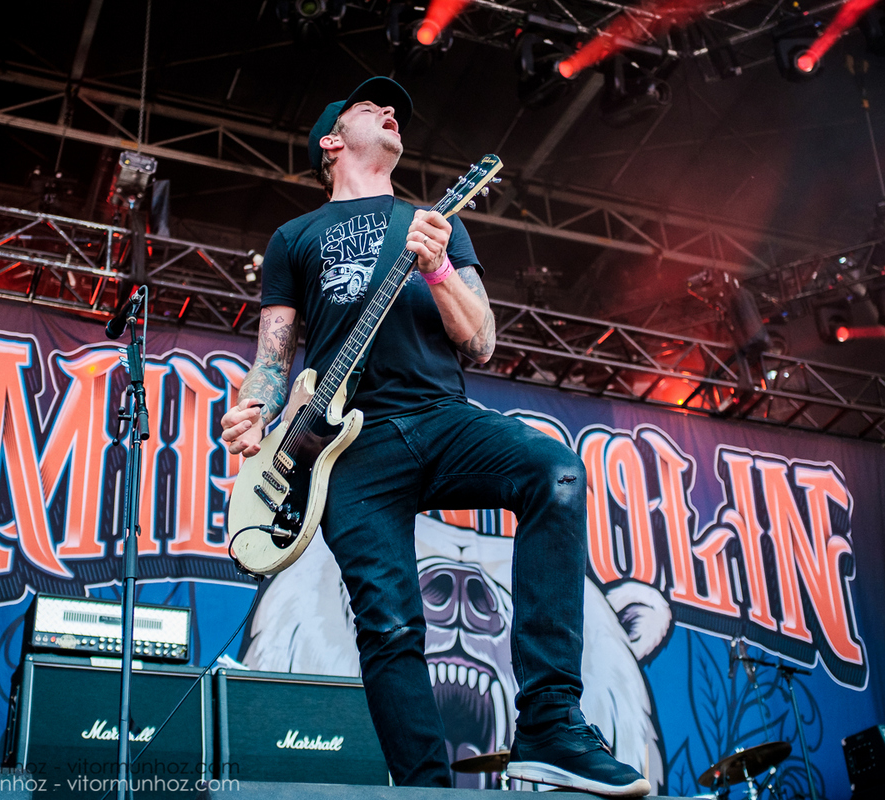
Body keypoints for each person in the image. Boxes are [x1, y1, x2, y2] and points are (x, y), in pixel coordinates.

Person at [220, 76, 650, 797]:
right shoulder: (295, 238)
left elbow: (480, 341)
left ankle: (549, 723)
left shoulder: (434, 223)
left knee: (555, 473)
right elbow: (273, 354)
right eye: (370, 107)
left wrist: (440, 269)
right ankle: (425, 790)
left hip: (440, 416)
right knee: (389, 625)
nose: (391, 111)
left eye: (395, 109)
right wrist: (253, 410)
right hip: (347, 453)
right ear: (332, 140)